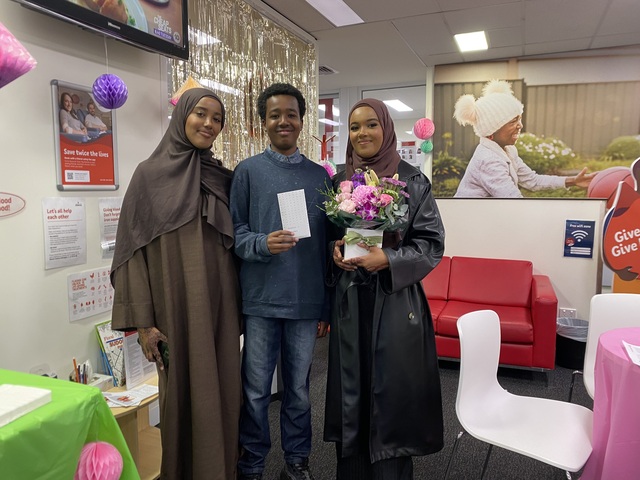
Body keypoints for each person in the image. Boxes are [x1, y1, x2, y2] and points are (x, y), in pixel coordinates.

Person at [110, 88, 242, 480]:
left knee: (223, 392)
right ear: (182, 116)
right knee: (182, 397)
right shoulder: (148, 177)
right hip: (173, 309)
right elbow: (131, 254)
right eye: (201, 114)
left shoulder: (221, 176)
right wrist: (144, 325)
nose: (209, 124)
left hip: (221, 307)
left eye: (217, 118)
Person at [324, 98, 445, 479]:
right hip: (351, 301)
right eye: (355, 126)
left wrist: (388, 260)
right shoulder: (339, 182)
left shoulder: (412, 180)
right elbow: (333, 237)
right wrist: (336, 250)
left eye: (371, 124)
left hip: (394, 303)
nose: (362, 133)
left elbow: (431, 244)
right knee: (352, 393)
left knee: (390, 396)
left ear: (387, 129)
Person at [230, 83, 330, 480]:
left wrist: (324, 305)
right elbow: (233, 233)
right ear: (263, 122)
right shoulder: (247, 172)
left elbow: (326, 246)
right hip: (260, 302)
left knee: (300, 391)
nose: (283, 121)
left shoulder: (320, 176)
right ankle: (252, 464)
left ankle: (297, 461)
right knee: (255, 391)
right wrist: (260, 243)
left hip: (305, 302)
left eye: (291, 114)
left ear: (302, 120)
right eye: (275, 115)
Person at [453, 79, 596, 198]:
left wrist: (573, 181)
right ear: (491, 130)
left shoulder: (508, 150)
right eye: (513, 121)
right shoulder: (488, 161)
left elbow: (532, 181)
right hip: (471, 223)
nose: (520, 125)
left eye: (519, 119)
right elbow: (515, 203)